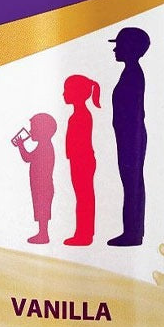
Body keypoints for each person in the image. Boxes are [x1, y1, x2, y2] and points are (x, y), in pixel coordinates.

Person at [107, 27, 150, 246]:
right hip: (128, 135)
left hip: (131, 137)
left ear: (131, 48)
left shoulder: (133, 74)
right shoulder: (130, 72)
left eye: (119, 45)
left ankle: (132, 234)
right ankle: (133, 232)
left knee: (132, 184)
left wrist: (129, 139)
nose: (115, 49)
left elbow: (133, 112)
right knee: (132, 183)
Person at [62, 75, 100, 246]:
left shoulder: (81, 115)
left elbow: (80, 143)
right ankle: (84, 233)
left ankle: (84, 235)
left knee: (84, 198)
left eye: (66, 90)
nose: (63, 94)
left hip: (82, 161)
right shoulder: (79, 114)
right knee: (83, 197)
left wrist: (75, 158)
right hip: (79, 160)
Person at [12, 113, 57, 244]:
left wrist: (21, 145)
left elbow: (27, 158)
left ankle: (43, 235)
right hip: (41, 186)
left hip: (43, 187)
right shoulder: (44, 146)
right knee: (41, 210)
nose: (31, 131)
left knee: (42, 211)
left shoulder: (44, 147)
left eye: (34, 128)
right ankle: (42, 233)